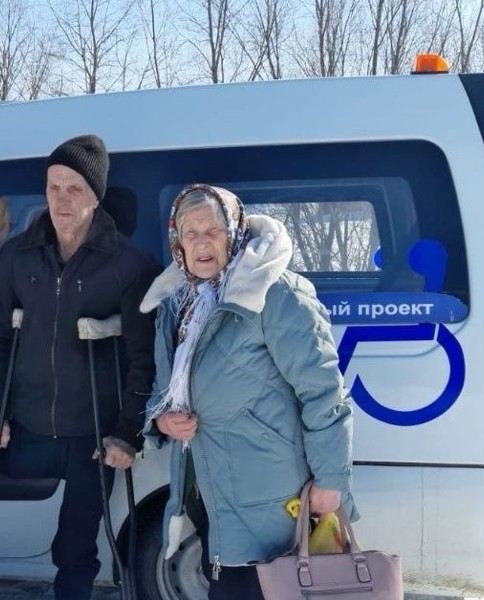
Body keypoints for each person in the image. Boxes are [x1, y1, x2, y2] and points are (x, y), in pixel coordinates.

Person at [141, 184, 356, 599]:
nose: (202, 243)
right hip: (210, 492)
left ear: (235, 233)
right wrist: (162, 420)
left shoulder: (275, 293)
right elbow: (162, 389)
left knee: (274, 589)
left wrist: (332, 480)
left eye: (213, 231)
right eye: (190, 233)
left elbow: (324, 391)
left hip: (272, 494)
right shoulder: (177, 305)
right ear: (177, 242)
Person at [0, 134, 158, 600]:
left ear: (96, 196)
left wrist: (128, 433)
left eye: (75, 188)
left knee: (76, 550)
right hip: (26, 429)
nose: (62, 199)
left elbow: (143, 359)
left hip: (91, 436)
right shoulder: (16, 256)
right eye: (54, 187)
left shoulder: (130, 266)